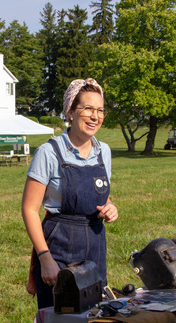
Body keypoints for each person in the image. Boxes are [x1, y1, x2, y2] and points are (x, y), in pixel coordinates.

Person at [22, 78, 118, 309]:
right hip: (58, 249)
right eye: (88, 109)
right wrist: (45, 258)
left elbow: (99, 195)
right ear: (71, 112)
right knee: (60, 321)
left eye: (100, 110)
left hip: (95, 247)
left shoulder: (103, 151)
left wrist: (110, 206)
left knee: (95, 319)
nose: (95, 117)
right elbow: (29, 209)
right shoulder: (48, 152)